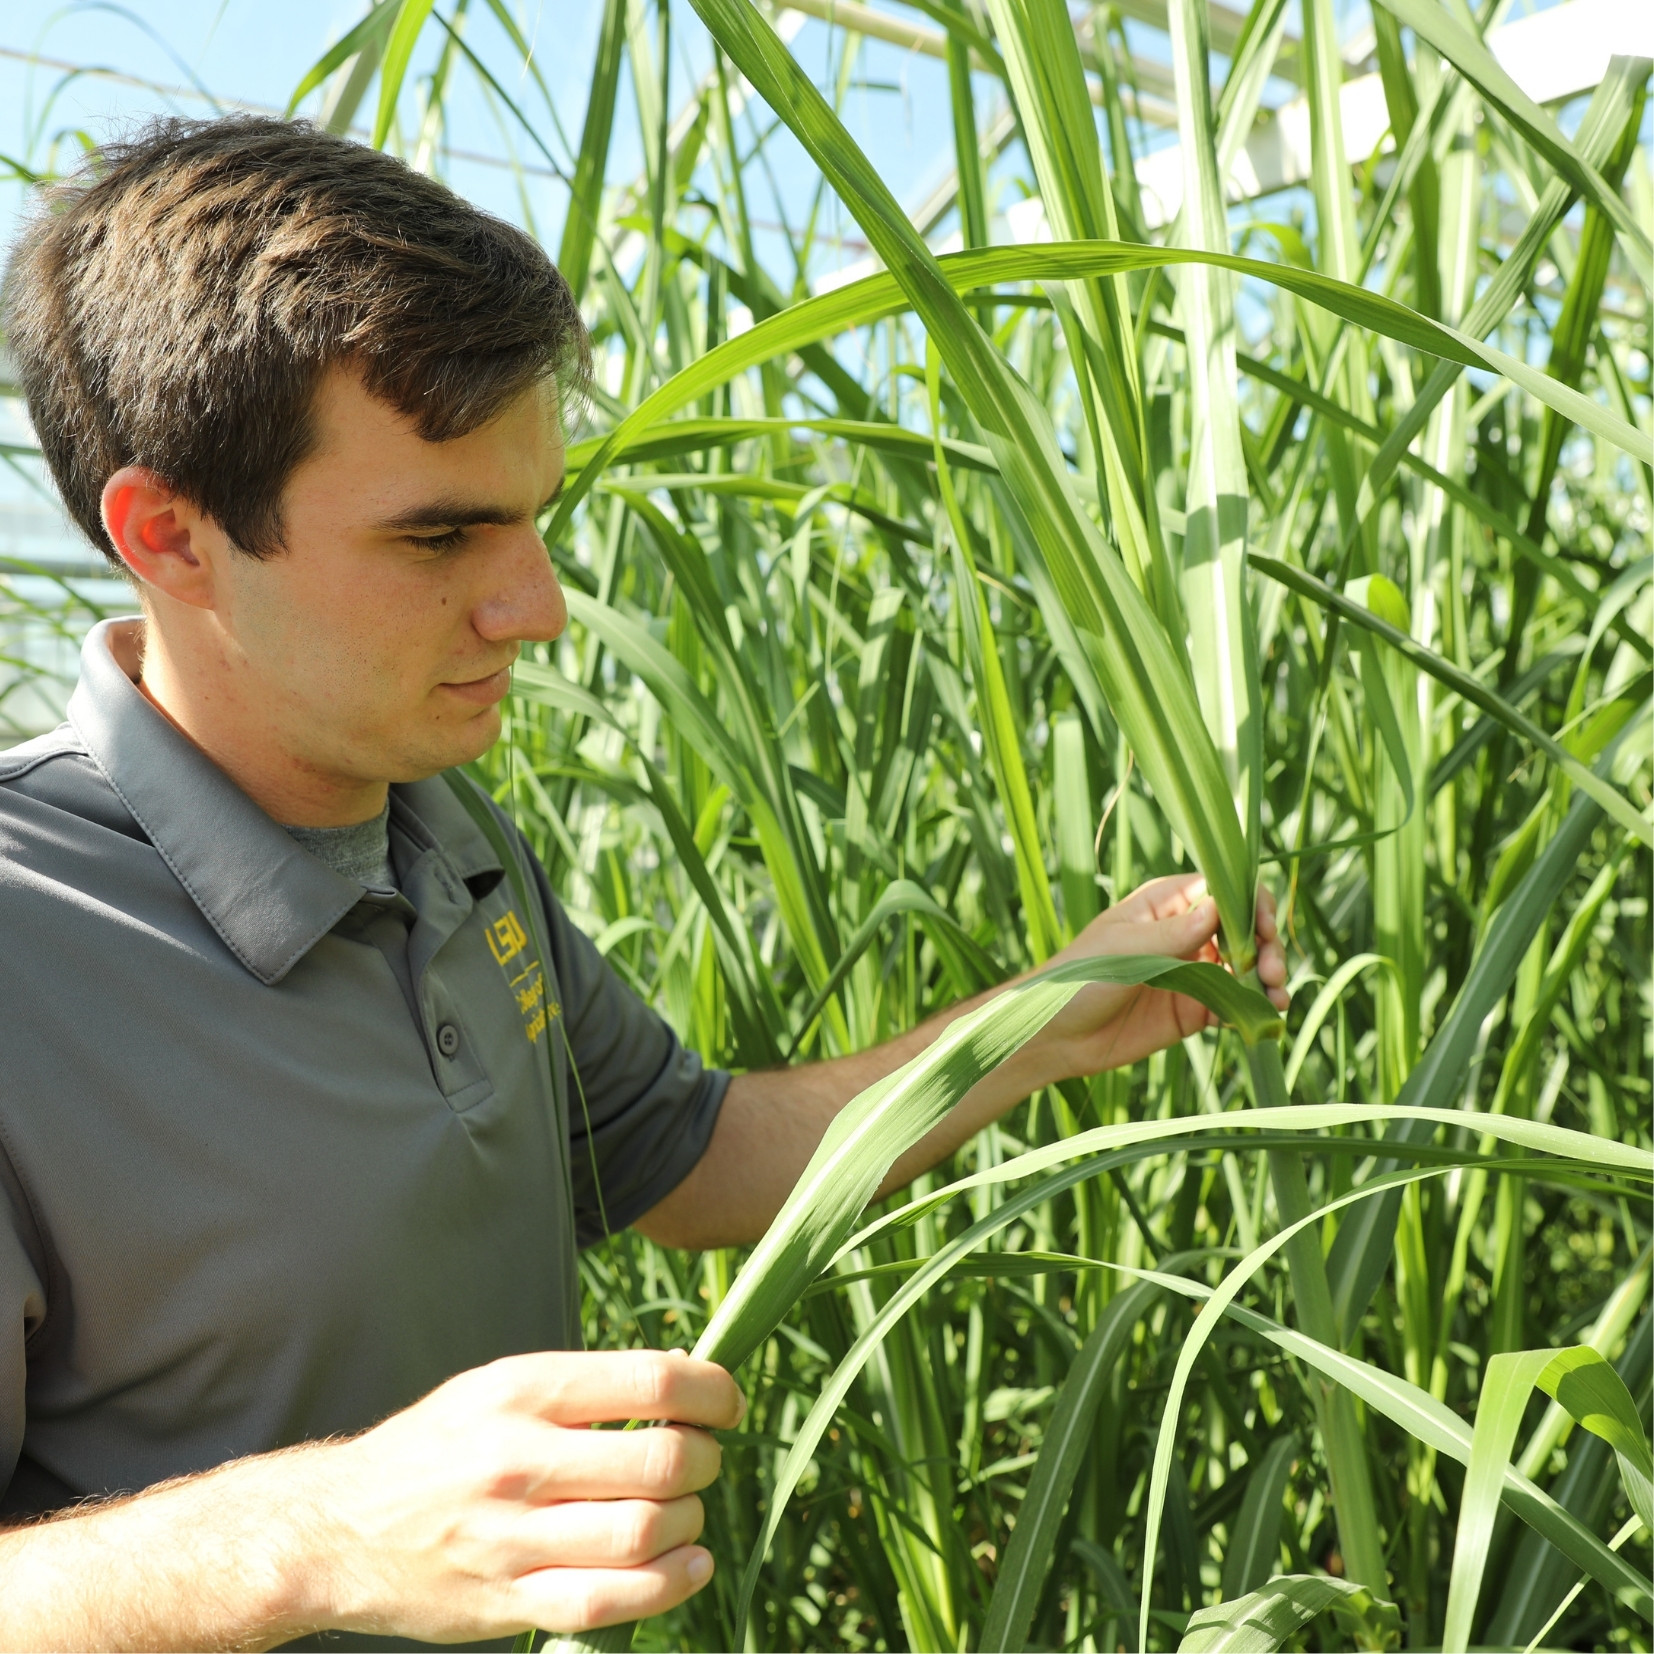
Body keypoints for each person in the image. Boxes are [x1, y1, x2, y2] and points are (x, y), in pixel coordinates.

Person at [0, 116, 1288, 1651]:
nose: (534, 608)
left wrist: (1050, 1019)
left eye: (533, 517)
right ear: (172, 537)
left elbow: (688, 1156)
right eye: (437, 535)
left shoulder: (448, 833)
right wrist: (323, 1535)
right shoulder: (29, 947)